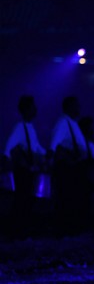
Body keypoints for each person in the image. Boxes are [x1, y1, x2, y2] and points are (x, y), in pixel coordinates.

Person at [2, 95, 48, 238]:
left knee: (27, 199)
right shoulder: (19, 127)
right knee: (22, 199)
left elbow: (35, 147)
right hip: (22, 170)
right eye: (32, 107)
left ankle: (20, 230)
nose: (35, 110)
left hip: (29, 169)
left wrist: (46, 154)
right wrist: (18, 163)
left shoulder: (30, 127)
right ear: (26, 109)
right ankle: (15, 231)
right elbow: (8, 148)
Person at [49, 96, 89, 235]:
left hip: (75, 165)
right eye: (76, 105)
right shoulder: (63, 122)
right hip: (68, 166)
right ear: (69, 106)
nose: (79, 108)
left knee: (74, 197)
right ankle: (65, 228)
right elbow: (54, 143)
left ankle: (72, 227)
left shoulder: (72, 122)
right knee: (67, 197)